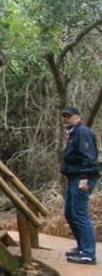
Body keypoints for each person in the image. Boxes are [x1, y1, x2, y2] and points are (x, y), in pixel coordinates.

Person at [60, 106, 98, 264]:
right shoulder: (73, 133)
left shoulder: (83, 132)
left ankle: (88, 253)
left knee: (80, 215)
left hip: (82, 178)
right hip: (73, 177)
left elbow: (89, 157)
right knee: (70, 213)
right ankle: (82, 247)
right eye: (63, 116)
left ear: (77, 117)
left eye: (68, 116)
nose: (65, 119)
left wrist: (84, 177)